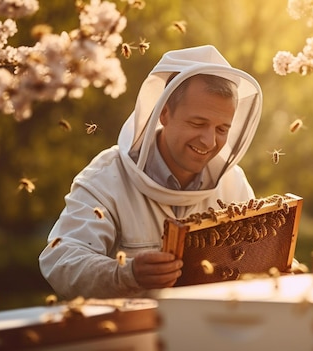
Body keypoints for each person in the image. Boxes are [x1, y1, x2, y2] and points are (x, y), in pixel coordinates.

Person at [39, 45, 263, 299]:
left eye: (222, 129)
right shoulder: (106, 178)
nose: (209, 141)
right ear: (164, 113)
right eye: (198, 123)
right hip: (127, 334)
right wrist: (125, 274)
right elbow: (60, 259)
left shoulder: (233, 182)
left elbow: (255, 259)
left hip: (208, 332)